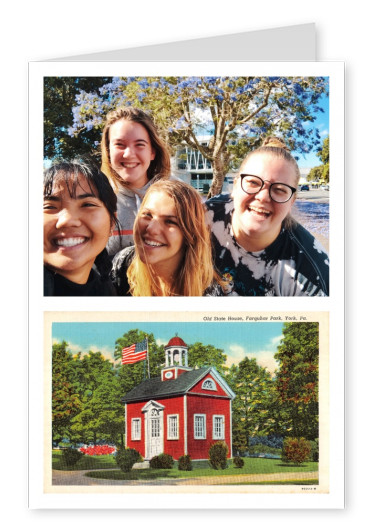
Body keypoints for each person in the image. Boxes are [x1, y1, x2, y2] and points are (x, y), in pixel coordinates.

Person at [206, 137, 329, 296]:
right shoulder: (202, 217)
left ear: (292, 201)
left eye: (279, 189)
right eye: (253, 183)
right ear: (235, 186)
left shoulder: (311, 274)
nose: (263, 197)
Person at [111, 180, 223, 296]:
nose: (151, 229)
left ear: (190, 234)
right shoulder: (122, 264)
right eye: (147, 215)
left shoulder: (209, 293)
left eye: (170, 222)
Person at [101, 106, 171, 257]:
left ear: (152, 152)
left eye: (139, 144)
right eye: (119, 144)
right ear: (108, 151)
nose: (129, 154)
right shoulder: (96, 200)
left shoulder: (176, 197)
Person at [43, 158, 119, 296]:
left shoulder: (106, 292)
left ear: (112, 223)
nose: (67, 220)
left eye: (87, 205)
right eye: (49, 207)